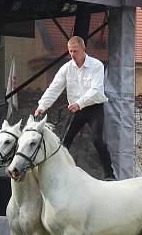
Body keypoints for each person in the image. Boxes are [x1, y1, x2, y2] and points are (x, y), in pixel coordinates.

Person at [34, 36, 115, 180]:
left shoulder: (97, 65)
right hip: (75, 109)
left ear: (84, 49)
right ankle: (59, 173)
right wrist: (42, 106)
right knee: (64, 142)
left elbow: (96, 90)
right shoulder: (66, 68)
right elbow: (54, 88)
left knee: (97, 140)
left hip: (94, 108)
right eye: (70, 51)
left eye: (75, 51)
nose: (72, 54)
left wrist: (79, 103)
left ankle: (110, 175)